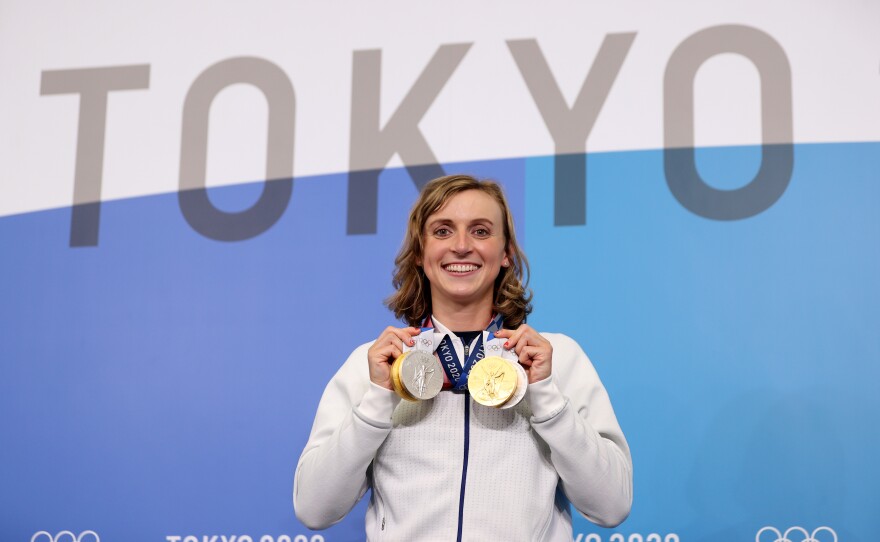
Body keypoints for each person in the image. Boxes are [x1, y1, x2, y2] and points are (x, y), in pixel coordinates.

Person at [294, 174, 632, 541]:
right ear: (420, 254)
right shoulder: (375, 365)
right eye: (442, 231)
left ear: (505, 253)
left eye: (481, 231)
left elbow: (611, 507)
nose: (461, 246)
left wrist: (546, 396)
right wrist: (378, 398)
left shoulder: (555, 359)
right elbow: (314, 510)